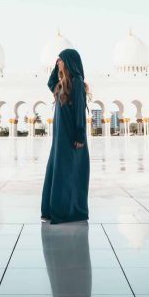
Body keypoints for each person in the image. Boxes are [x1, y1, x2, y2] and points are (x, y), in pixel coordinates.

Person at [41, 48, 90, 224]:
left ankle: (67, 211)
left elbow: (79, 113)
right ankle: (51, 210)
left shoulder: (77, 83)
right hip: (59, 139)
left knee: (68, 174)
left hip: (71, 137)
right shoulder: (61, 85)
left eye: (60, 60)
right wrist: (56, 69)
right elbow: (50, 83)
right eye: (57, 60)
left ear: (69, 62)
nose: (58, 62)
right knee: (56, 172)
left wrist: (80, 136)